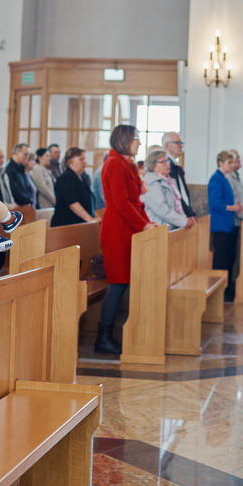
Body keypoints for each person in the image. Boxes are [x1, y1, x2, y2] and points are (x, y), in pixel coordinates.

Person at [96, 125, 156, 354]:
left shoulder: (127, 163)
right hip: (117, 229)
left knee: (123, 282)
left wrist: (147, 222)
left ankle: (109, 335)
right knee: (117, 282)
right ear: (123, 140)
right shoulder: (114, 163)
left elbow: (136, 202)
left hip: (128, 228)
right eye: (135, 139)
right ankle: (103, 338)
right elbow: (121, 202)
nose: (139, 143)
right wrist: (143, 225)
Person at [208, 150, 243, 300]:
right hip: (220, 225)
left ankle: (226, 289)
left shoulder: (224, 178)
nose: (231, 165)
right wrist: (233, 208)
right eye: (229, 162)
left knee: (228, 258)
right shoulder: (216, 179)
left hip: (228, 224)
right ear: (220, 163)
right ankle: (219, 291)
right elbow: (215, 204)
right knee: (221, 259)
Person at [141, 149, 195, 230]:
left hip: (170, 227)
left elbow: (177, 205)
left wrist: (185, 219)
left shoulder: (170, 181)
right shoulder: (151, 183)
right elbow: (161, 209)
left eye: (167, 161)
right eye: (163, 162)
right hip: (158, 229)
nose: (167, 164)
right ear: (153, 165)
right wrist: (183, 221)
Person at [51, 146, 96, 226]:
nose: (85, 162)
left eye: (84, 159)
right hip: (66, 225)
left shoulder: (82, 178)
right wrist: (90, 219)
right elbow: (73, 204)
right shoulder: (65, 178)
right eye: (81, 159)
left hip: (80, 224)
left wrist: (95, 216)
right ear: (70, 162)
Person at [162, 131, 194, 216]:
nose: (181, 146)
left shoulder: (176, 166)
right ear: (167, 145)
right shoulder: (166, 166)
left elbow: (183, 192)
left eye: (181, 143)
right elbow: (175, 194)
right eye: (177, 143)